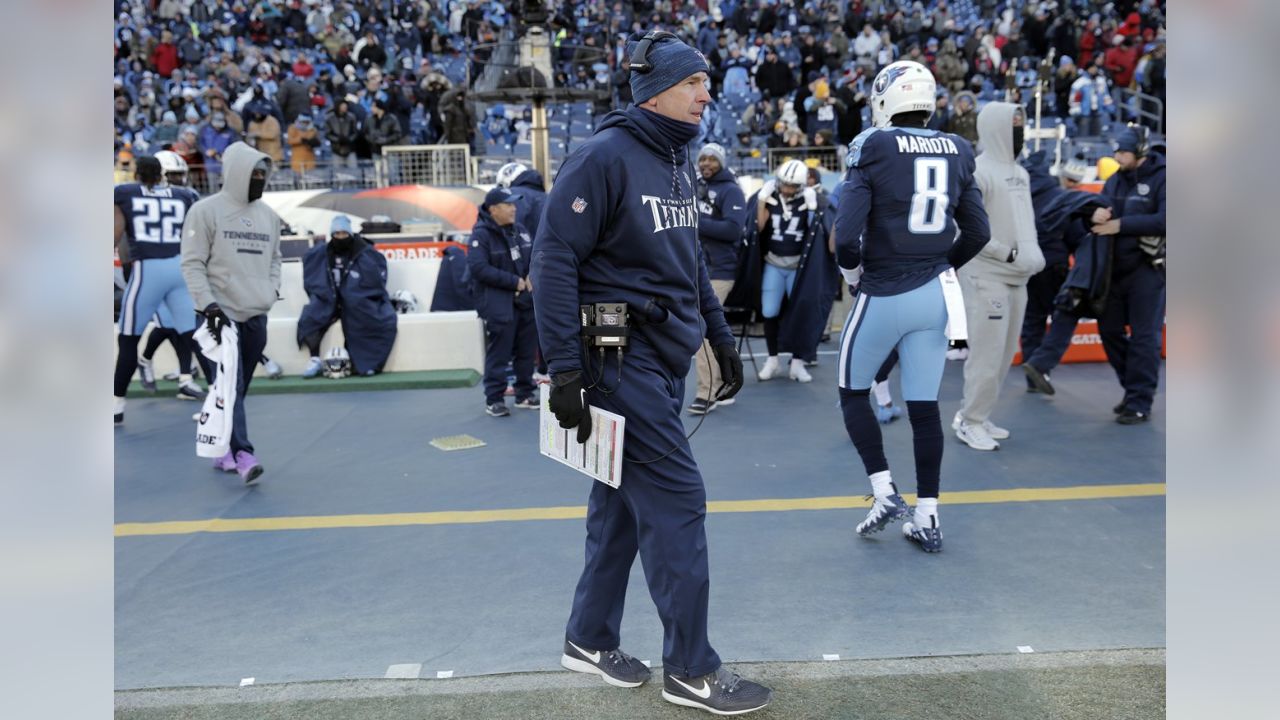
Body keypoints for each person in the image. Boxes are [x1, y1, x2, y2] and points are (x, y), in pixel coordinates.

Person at [531, 33, 768, 715]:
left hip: (660, 361)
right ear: (656, 88)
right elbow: (553, 263)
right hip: (615, 361)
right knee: (677, 502)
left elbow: (688, 259)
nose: (706, 94)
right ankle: (692, 670)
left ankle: (587, 637)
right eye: (694, 82)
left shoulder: (678, 159)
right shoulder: (602, 156)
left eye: (707, 81)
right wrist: (566, 370)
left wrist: (720, 342)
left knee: (621, 513)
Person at [834, 60, 991, 553]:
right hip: (935, 294)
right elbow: (979, 232)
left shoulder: (874, 144)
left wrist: (854, 275)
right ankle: (928, 516)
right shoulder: (960, 148)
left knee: (852, 391)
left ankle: (883, 492)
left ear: (885, 98)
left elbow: (845, 237)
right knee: (925, 409)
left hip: (884, 288)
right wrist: (942, 264)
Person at [180, 142, 283, 484]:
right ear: (237, 172)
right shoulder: (205, 211)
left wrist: (271, 290)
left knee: (235, 390)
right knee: (229, 386)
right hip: (218, 317)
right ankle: (243, 454)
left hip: (256, 314)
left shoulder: (268, 215)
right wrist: (208, 305)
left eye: (262, 174)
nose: (259, 179)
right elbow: (192, 263)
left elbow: (275, 258)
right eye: (253, 173)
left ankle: (222, 448)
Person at [952, 103, 1046, 451]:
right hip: (986, 275)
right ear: (994, 127)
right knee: (986, 355)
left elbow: (1025, 223)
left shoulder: (1020, 173)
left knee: (1005, 355)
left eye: (1021, 124)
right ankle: (969, 420)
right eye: (1013, 124)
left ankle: (981, 414)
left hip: (1018, 277)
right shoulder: (978, 172)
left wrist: (1030, 257)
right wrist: (1005, 253)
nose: (1018, 130)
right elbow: (964, 226)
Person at [114, 156, 205, 424]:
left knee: (128, 339)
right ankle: (216, 400)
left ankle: (116, 406)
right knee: (195, 337)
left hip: (148, 269)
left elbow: (115, 234)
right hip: (179, 269)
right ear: (162, 174)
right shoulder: (184, 194)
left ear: (137, 174)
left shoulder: (124, 192)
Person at [1091, 125, 1166, 424]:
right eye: (1116, 152)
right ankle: (1132, 388)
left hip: (1149, 268)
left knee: (1144, 338)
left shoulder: (1165, 177)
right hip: (1115, 269)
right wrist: (1095, 213)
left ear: (1141, 152)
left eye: (1123, 152)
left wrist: (1121, 225)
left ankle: (1139, 401)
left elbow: (1167, 219)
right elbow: (1101, 205)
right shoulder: (1115, 180)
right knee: (1109, 330)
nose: (1117, 157)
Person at [749, 159, 831, 384]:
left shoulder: (811, 200)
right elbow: (758, 228)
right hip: (774, 264)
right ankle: (772, 360)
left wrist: (814, 209)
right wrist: (762, 200)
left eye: (791, 186)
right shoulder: (772, 196)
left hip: (798, 268)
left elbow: (816, 237)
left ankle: (797, 363)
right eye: (783, 184)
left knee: (801, 314)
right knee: (769, 311)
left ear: (801, 186)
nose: (786, 189)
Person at [297, 215, 398, 379]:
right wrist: (327, 295)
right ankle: (314, 358)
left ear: (350, 234)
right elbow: (312, 281)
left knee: (371, 318)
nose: (341, 237)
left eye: (344, 233)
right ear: (332, 235)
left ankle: (367, 364)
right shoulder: (320, 254)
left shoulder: (366, 253)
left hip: (356, 299)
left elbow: (375, 283)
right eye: (337, 234)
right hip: (329, 298)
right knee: (311, 315)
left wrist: (352, 294)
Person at [689, 143, 747, 414]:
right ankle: (723, 384)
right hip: (698, 269)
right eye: (703, 159)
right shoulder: (693, 185)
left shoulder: (731, 190)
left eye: (712, 159)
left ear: (721, 162)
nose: (707, 163)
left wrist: (695, 220)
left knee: (701, 327)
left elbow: (734, 230)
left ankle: (706, 392)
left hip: (721, 271)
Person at [470, 187, 537, 417]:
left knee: (527, 351)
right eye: (508, 204)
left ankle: (524, 393)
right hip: (499, 302)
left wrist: (531, 275)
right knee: (500, 353)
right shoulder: (481, 235)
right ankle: (495, 399)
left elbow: (535, 255)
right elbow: (479, 268)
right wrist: (514, 282)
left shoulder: (521, 230)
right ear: (493, 209)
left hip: (525, 302)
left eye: (514, 204)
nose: (513, 208)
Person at [324, 100, 360, 169]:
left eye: (346, 106)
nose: (345, 108)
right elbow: (327, 134)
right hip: (336, 149)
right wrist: (337, 139)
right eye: (343, 106)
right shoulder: (330, 118)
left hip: (350, 149)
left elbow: (355, 132)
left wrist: (349, 139)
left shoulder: (351, 117)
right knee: (338, 174)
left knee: (354, 172)